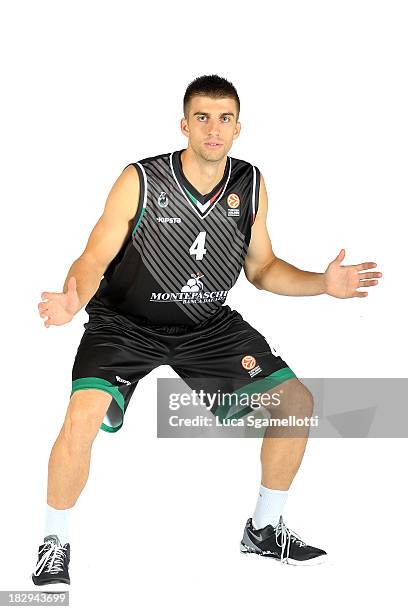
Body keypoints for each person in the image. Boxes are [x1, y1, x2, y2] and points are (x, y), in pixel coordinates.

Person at [32, 74, 382, 585]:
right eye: (202, 117)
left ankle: (263, 530)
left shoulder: (251, 184)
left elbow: (262, 271)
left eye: (224, 118)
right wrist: (73, 297)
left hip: (206, 325)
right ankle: (53, 542)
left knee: (296, 403)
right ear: (184, 125)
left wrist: (321, 284)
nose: (213, 129)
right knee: (82, 416)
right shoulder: (142, 180)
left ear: (238, 128)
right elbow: (94, 255)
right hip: (126, 324)